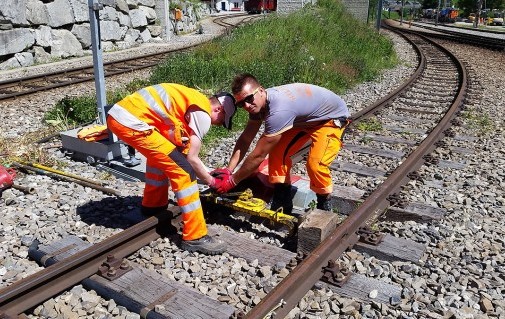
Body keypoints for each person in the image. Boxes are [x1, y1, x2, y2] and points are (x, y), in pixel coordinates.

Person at [106, 83, 237, 255]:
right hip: (132, 123)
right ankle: (195, 236)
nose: (218, 125)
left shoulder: (192, 99)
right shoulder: (203, 114)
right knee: (184, 172)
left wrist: (207, 170)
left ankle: (152, 208)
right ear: (219, 109)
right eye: (221, 121)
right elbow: (191, 158)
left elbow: (179, 147)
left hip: (121, 117)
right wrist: (211, 181)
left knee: (162, 160)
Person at [211, 73, 350, 213]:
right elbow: (246, 138)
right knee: (277, 154)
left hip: (331, 119)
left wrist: (232, 181)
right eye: (241, 103)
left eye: (249, 98)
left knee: (315, 164)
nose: (247, 105)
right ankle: (283, 197)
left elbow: (258, 155)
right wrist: (229, 170)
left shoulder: (279, 110)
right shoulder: (257, 105)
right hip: (303, 119)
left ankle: (324, 202)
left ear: (260, 90)